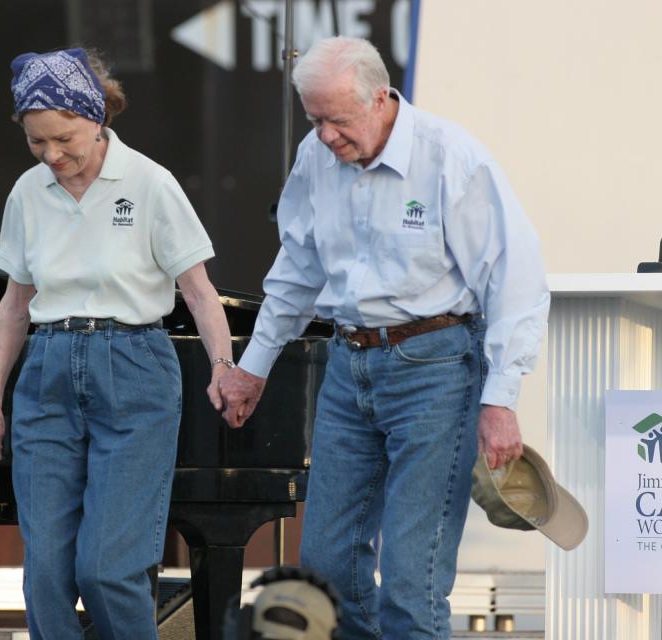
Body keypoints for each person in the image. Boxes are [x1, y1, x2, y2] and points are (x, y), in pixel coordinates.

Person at [217, 37, 549, 639]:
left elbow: (515, 279)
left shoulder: (452, 157)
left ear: (380, 99)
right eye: (314, 119)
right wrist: (253, 366)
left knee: (410, 580)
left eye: (336, 121)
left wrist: (501, 398)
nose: (324, 136)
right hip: (347, 365)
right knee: (325, 566)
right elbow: (296, 269)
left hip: (439, 367)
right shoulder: (315, 157)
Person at [0, 48, 233, 640]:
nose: (52, 155)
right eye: (37, 143)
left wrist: (222, 366)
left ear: (97, 117)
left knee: (108, 569)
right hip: (48, 367)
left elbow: (199, 291)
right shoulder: (27, 192)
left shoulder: (149, 183)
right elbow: (14, 305)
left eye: (63, 139)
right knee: (45, 575)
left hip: (133, 364)